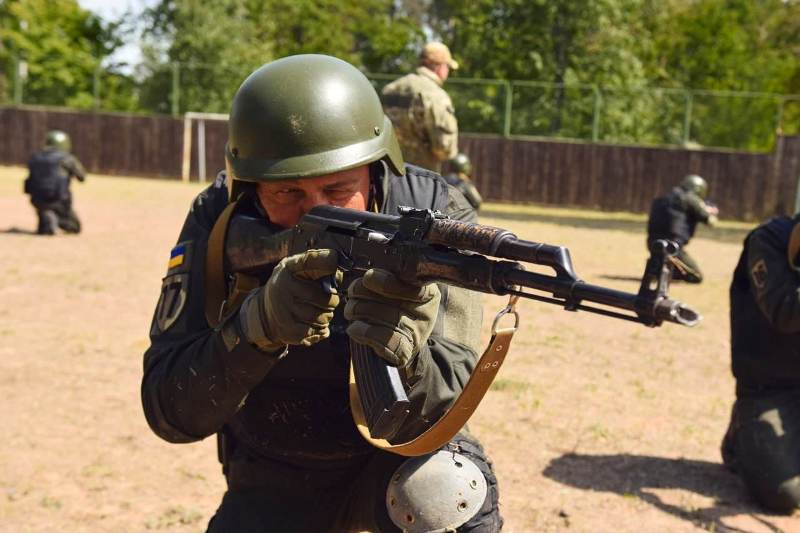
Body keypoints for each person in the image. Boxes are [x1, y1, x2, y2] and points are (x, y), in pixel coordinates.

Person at [141, 54, 502, 532]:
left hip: (399, 457)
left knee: (444, 492)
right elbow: (169, 409)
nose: (316, 214)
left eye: (339, 188)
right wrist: (255, 329)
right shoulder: (220, 219)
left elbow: (444, 408)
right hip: (278, 461)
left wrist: (407, 358)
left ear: (376, 169)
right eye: (286, 194)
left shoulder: (436, 212)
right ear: (249, 186)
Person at [721, 213, 800, 513]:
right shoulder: (768, 240)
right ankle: (740, 435)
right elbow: (785, 312)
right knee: (786, 494)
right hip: (770, 388)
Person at [381, 41, 459, 173]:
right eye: (447, 67)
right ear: (438, 66)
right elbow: (444, 147)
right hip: (421, 179)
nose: (448, 72)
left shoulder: (390, 89)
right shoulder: (436, 96)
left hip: (388, 173)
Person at [646, 174, 719, 283]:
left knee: (662, 258)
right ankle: (664, 268)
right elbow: (711, 221)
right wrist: (707, 210)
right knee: (696, 276)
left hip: (653, 244)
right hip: (673, 247)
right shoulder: (690, 198)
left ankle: (657, 265)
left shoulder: (665, 197)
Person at [23, 130, 86, 235]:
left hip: (37, 200)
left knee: (44, 224)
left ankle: (47, 216)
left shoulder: (36, 157)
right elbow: (82, 177)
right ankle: (54, 217)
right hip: (59, 199)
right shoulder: (67, 158)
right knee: (74, 227)